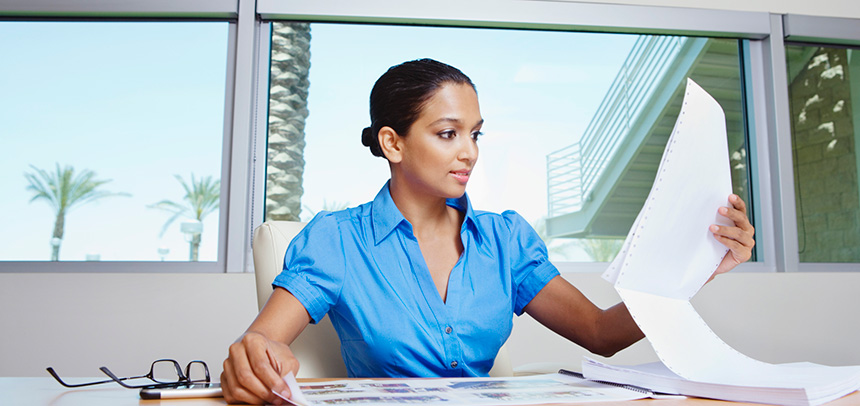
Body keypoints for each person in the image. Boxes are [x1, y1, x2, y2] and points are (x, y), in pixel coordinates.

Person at [221, 58, 755, 404]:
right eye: (448, 133)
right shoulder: (336, 239)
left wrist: (697, 267)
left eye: (475, 133)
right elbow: (263, 338)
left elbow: (600, 333)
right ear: (393, 142)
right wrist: (257, 355)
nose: (469, 151)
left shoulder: (505, 240)